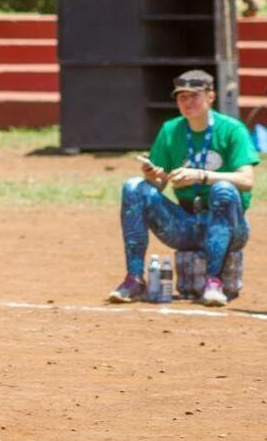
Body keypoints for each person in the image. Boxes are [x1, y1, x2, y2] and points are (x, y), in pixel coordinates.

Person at [107, 70, 259, 307]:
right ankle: (134, 278)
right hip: (186, 223)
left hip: (229, 225)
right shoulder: (171, 130)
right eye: (182, 97)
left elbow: (247, 180)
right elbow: (160, 183)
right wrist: (154, 176)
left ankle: (214, 281)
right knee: (134, 187)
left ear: (211, 97)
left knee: (224, 189)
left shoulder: (232, 129)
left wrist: (201, 176)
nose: (187, 102)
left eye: (194, 96)